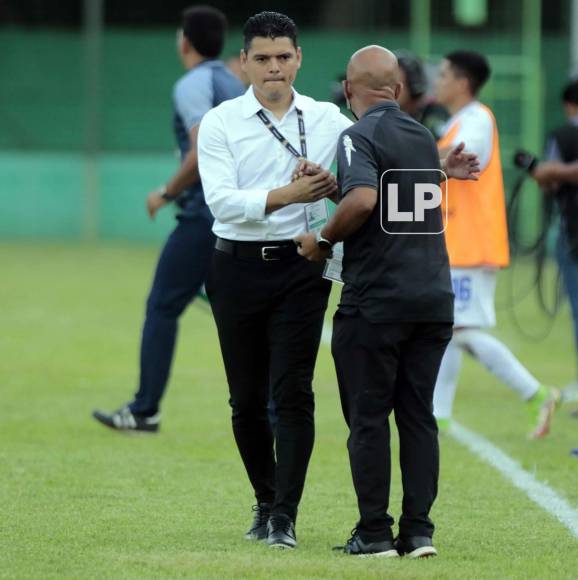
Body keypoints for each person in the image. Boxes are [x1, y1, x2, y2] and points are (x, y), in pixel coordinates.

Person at [296, 46, 478, 558]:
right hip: (432, 300)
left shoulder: (358, 135)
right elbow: (393, 193)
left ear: (350, 91)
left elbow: (363, 200)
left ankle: (374, 532)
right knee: (418, 415)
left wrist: (323, 242)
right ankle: (419, 532)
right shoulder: (422, 137)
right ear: (396, 91)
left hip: (377, 302)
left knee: (370, 417)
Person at [197, 11, 353, 550]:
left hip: (301, 267)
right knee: (245, 399)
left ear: (298, 59)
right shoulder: (220, 122)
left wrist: (438, 162)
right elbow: (222, 202)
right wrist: (289, 195)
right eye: (262, 58)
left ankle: (285, 514)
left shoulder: (328, 117)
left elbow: (368, 166)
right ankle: (265, 499)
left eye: (283, 57)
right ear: (244, 62)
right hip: (234, 266)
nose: (274, 68)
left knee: (293, 393)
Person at [92, 6, 244, 433]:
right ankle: (270, 405)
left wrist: (166, 191)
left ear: (184, 42)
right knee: (244, 310)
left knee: (161, 306)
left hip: (205, 214)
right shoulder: (234, 81)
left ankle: (144, 410)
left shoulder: (192, 85)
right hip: (239, 213)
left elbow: (201, 152)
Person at [432, 50, 559, 438]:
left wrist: (403, 152)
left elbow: (464, 158)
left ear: (462, 82)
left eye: (443, 74)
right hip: (455, 241)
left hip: (471, 242)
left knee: (460, 330)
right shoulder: (455, 121)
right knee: (449, 329)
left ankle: (535, 393)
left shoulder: (477, 119)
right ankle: (438, 416)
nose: (437, 80)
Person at [532, 80, 578, 389]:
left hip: (573, 234)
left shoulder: (562, 136)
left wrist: (546, 171)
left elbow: (547, 181)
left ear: (567, 104)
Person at [396, 50, 449, 139]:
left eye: (397, 84)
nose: (390, 89)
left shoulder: (435, 116)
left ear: (414, 85)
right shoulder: (391, 114)